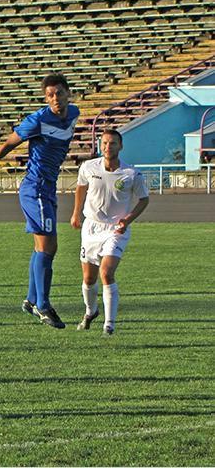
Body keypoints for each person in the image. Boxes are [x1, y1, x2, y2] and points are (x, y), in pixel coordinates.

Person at [0, 73, 80, 329]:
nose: (55, 98)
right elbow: (7, 144)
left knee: (44, 247)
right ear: (45, 98)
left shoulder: (74, 113)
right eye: (50, 95)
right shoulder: (37, 120)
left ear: (68, 94)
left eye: (59, 93)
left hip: (47, 187)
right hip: (35, 188)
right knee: (48, 247)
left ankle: (31, 300)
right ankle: (43, 305)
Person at [70, 129, 149, 335]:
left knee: (106, 273)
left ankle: (109, 325)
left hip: (116, 230)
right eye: (104, 143)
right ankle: (90, 312)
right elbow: (81, 188)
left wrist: (127, 220)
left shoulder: (131, 174)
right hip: (91, 227)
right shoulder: (88, 167)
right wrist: (76, 213)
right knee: (89, 279)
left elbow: (144, 199)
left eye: (112, 143)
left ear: (120, 146)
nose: (108, 147)